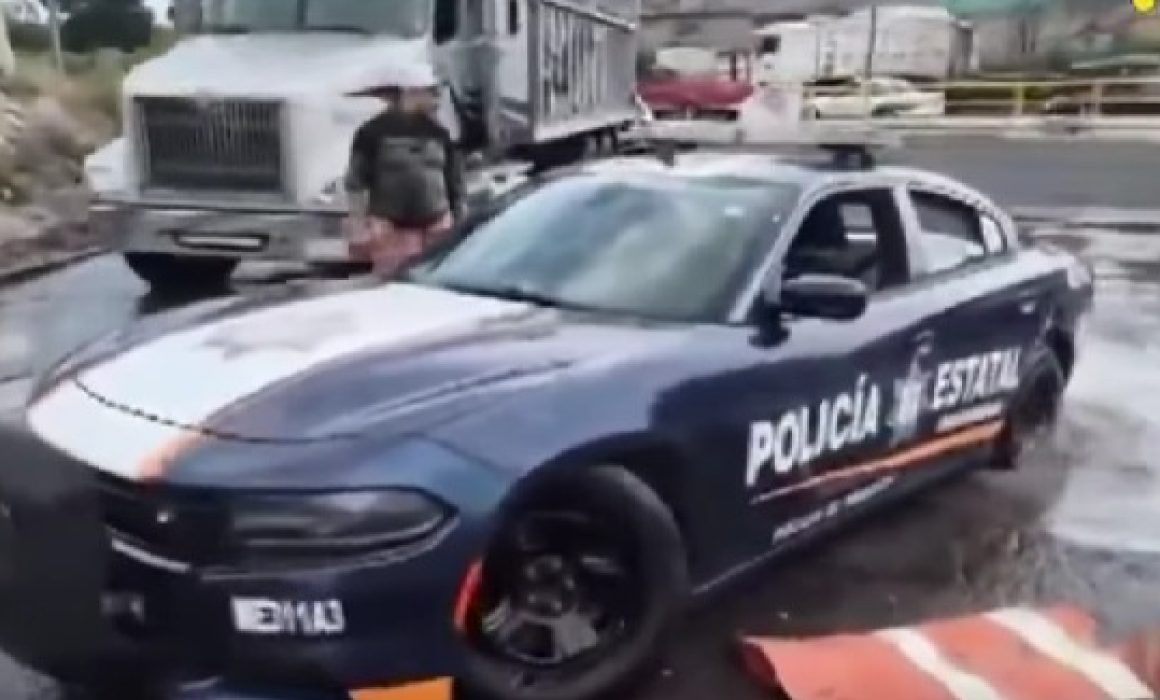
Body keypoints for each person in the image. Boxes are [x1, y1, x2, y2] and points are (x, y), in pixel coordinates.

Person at [344, 63, 465, 275]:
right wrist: (360, 227)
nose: (436, 99)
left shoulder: (440, 133)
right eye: (430, 92)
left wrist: (459, 221)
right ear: (410, 92)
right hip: (390, 229)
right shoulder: (371, 132)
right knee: (393, 282)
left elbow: (455, 182)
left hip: (436, 226)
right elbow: (356, 183)